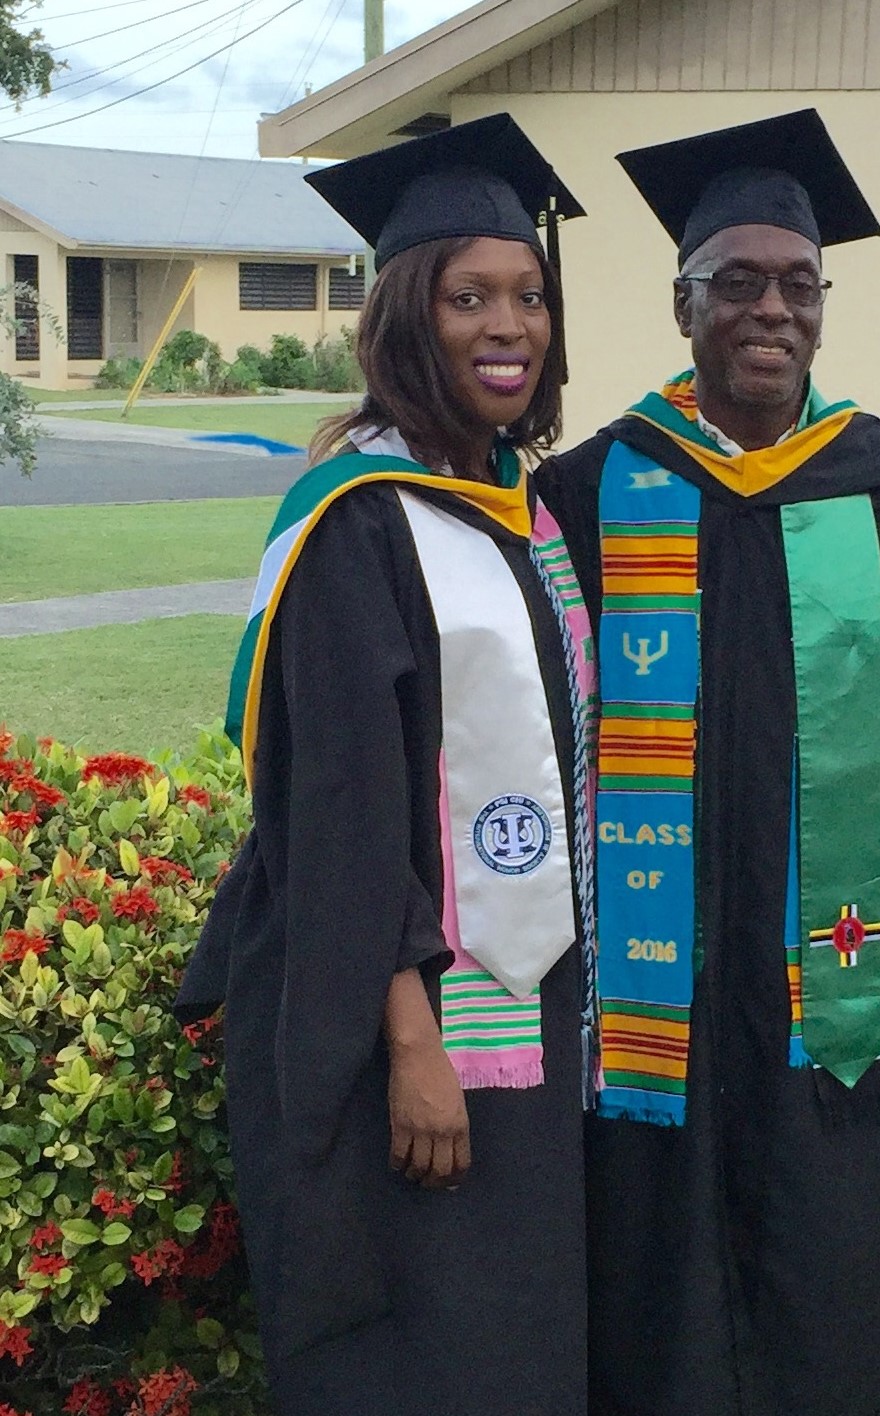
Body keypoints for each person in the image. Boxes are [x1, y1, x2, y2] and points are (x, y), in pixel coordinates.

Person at [536, 108, 880, 1416]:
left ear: (823, 308)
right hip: (648, 987)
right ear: (684, 307)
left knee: (823, 1250)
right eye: (738, 282)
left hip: (820, 980)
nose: (772, 309)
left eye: (799, 285)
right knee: (649, 1261)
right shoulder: (588, 492)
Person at [176, 113, 597, 1416]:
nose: (508, 325)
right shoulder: (357, 524)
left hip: (525, 1015)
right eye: (470, 296)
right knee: (430, 1349)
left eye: (528, 295)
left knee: (514, 1331)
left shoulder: (519, 509)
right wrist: (414, 1038)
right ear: (408, 316)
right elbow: (340, 810)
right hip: (398, 1026)